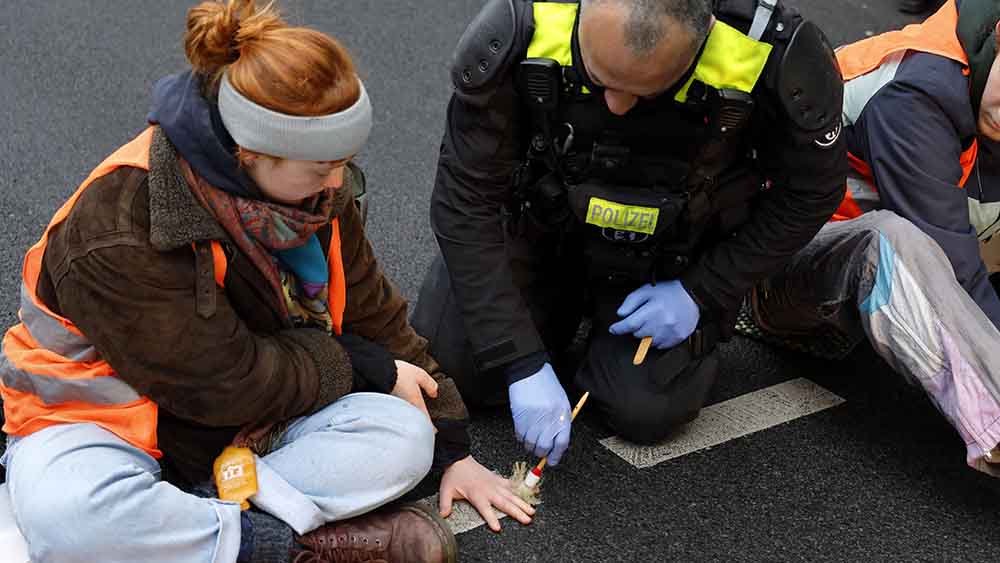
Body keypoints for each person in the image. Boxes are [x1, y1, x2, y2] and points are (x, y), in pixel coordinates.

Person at [0, 1, 535, 562]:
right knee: (75, 521)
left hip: (240, 426)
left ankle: (195, 526)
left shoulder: (314, 191)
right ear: (250, 155)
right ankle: (281, 543)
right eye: (321, 166)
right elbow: (215, 381)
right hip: (103, 422)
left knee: (407, 436)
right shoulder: (116, 226)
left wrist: (453, 449)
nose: (337, 181)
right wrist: (360, 367)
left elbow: (373, 312)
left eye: (344, 160)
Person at [411, 0, 847, 466]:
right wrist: (520, 361)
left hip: (670, 264)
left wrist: (703, 291)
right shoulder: (525, 24)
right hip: (542, 233)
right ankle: (549, 321)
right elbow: (464, 203)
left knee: (644, 411)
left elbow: (811, 193)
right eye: (599, 81)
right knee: (459, 371)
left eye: (643, 92)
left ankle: (593, 340)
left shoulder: (769, 54)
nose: (616, 106)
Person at [749, 0, 1000, 475]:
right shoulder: (917, 94)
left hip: (887, 230)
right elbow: (956, 266)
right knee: (891, 242)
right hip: (783, 267)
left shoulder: (978, 69)